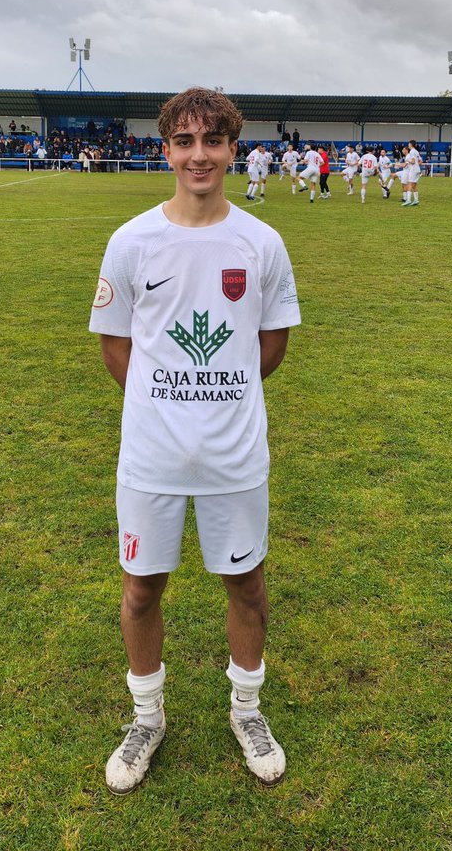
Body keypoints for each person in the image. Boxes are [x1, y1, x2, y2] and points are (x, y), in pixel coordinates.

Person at [89, 87, 301, 795]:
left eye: (212, 140)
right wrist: (165, 404)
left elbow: (270, 345)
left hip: (234, 455)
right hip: (150, 455)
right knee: (141, 589)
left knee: (246, 584)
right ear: (166, 151)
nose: (199, 155)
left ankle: (248, 711)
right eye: (184, 141)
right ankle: (146, 719)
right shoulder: (131, 241)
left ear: (234, 149)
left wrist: (218, 397)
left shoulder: (261, 243)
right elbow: (115, 345)